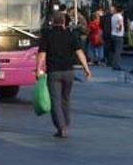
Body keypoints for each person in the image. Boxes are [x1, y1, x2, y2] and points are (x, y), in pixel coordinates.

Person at [35, 10, 92, 138]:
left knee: (55, 100)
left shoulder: (47, 35)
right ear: (64, 22)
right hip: (69, 72)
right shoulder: (71, 35)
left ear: (52, 22)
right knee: (66, 99)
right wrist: (86, 69)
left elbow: (42, 54)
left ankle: (61, 127)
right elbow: (79, 53)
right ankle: (66, 123)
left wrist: (38, 69)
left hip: (54, 72)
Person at [109, 4, 126, 71]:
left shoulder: (113, 16)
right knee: (118, 51)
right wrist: (120, 30)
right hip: (118, 35)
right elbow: (119, 25)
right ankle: (116, 66)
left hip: (113, 34)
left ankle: (113, 64)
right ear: (122, 11)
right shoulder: (120, 17)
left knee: (114, 51)